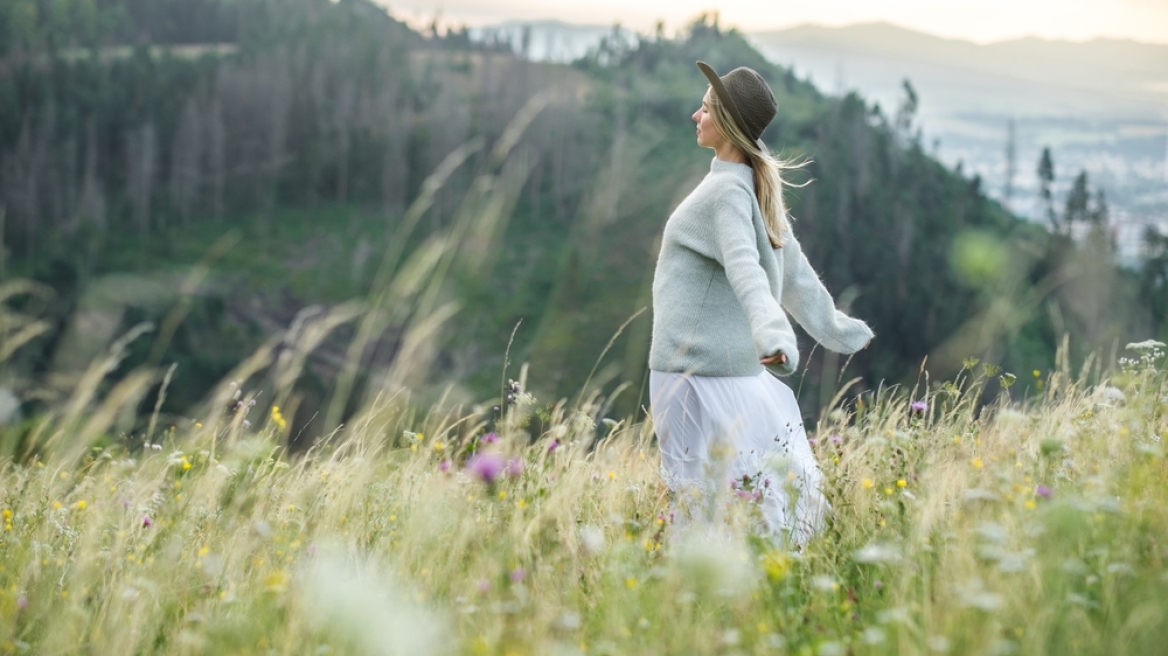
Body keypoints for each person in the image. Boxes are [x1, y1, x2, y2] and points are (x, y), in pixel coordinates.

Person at [649, 61, 874, 547]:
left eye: (705, 109)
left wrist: (773, 336)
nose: (695, 115)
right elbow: (794, 273)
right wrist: (835, 328)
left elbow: (749, 271)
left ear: (726, 123)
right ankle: (757, 592)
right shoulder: (749, 185)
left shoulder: (725, 193)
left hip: (690, 377)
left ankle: (698, 603)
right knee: (745, 498)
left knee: (698, 507)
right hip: (723, 376)